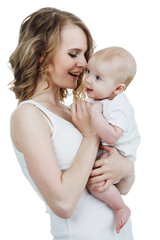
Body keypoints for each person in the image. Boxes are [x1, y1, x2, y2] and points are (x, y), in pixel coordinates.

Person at [9, 8, 135, 240]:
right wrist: (90, 137)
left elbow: (122, 188)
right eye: (73, 54)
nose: (85, 63)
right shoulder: (28, 115)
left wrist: (127, 169)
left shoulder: (72, 112)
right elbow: (63, 202)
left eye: (85, 54)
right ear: (41, 55)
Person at [84, 46, 140, 233]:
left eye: (98, 77)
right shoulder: (100, 96)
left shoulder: (119, 105)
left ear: (118, 88)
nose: (89, 80)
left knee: (95, 183)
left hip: (120, 152)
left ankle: (120, 207)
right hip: (108, 148)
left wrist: (95, 115)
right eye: (89, 72)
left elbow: (112, 135)